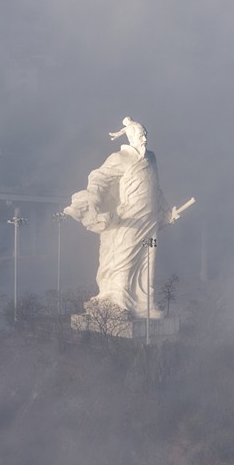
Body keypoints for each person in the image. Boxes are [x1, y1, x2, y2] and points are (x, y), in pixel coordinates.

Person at [64, 118, 186, 318]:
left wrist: (166, 212)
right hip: (130, 221)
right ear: (131, 137)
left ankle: (145, 303)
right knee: (124, 258)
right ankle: (118, 301)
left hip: (150, 223)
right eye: (141, 135)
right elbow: (99, 178)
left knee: (147, 260)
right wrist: (94, 200)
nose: (145, 139)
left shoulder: (151, 158)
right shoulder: (120, 158)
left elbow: (156, 189)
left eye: (145, 135)